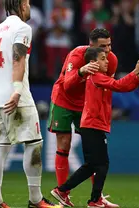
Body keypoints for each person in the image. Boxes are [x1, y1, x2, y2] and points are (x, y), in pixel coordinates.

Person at [0, 0, 62, 207]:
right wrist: (15, 90)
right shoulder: (22, 28)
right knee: (33, 144)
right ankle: (36, 200)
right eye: (28, 2)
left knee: (0, 147)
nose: (30, 6)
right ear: (22, 4)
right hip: (17, 97)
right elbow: (18, 59)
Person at [51, 47, 139, 207]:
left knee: (93, 165)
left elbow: (125, 87)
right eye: (103, 58)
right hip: (92, 124)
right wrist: (135, 72)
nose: (107, 61)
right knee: (101, 164)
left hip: (94, 124)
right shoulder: (96, 76)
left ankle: (68, 192)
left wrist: (138, 76)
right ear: (93, 62)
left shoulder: (99, 77)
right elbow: (119, 85)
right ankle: (90, 198)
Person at [47, 28, 117, 207]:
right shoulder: (77, 55)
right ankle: (64, 194)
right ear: (91, 45)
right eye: (103, 46)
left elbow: (106, 87)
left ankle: (97, 197)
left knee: (93, 153)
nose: (108, 50)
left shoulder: (112, 60)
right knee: (63, 144)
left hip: (86, 105)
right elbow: (68, 85)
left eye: (109, 45)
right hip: (63, 100)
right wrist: (82, 71)